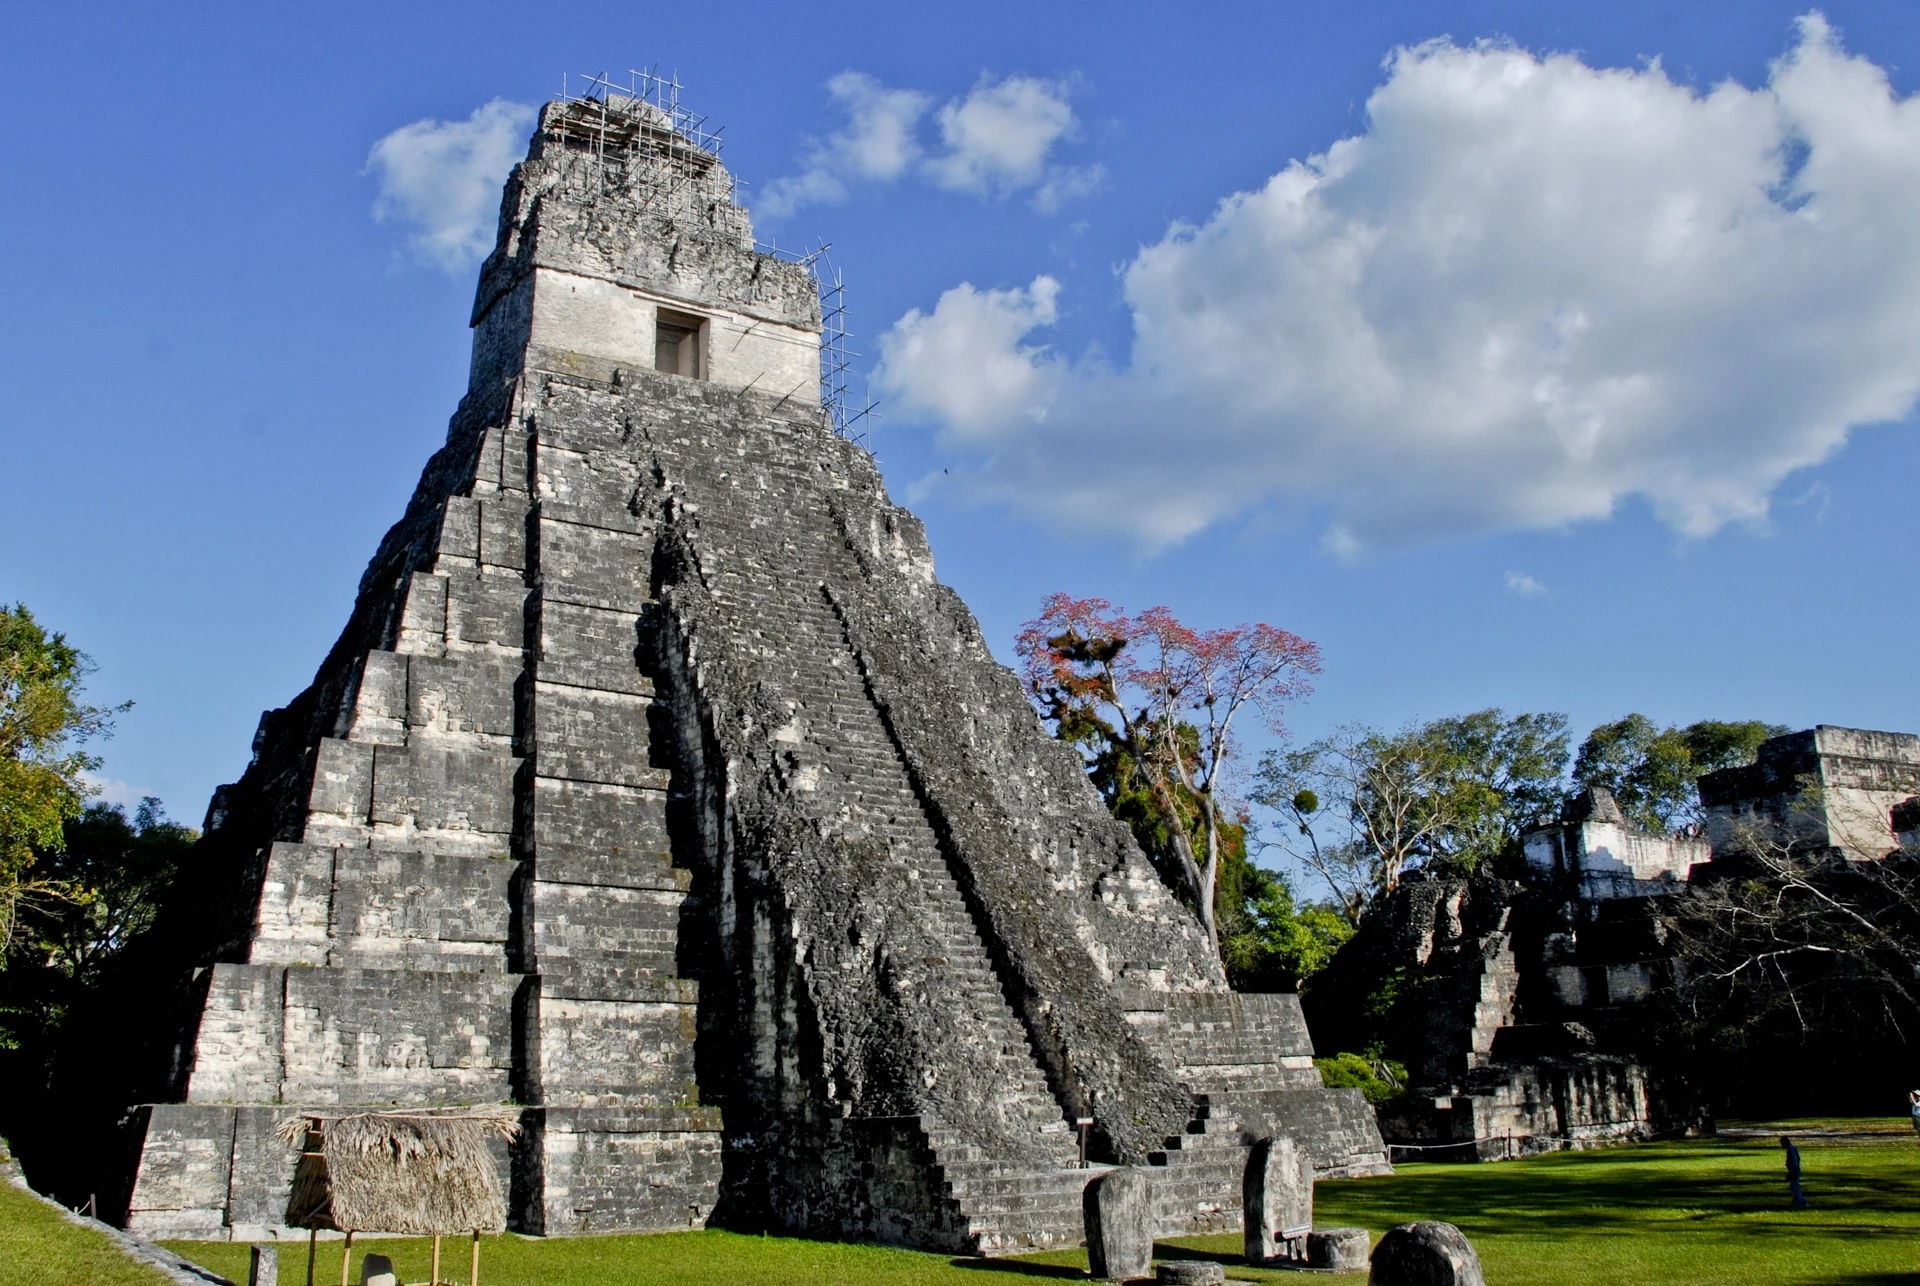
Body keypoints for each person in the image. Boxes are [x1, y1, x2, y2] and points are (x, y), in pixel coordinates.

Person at [1781, 1135, 1807, 1209]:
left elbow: (1794, 1162)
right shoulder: (1792, 1149)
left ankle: (1799, 1203)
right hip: (1794, 1170)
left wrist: (1791, 1171)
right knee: (1794, 1187)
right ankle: (1798, 1201)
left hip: (1794, 1170)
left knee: (1795, 1187)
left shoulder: (1791, 1150)